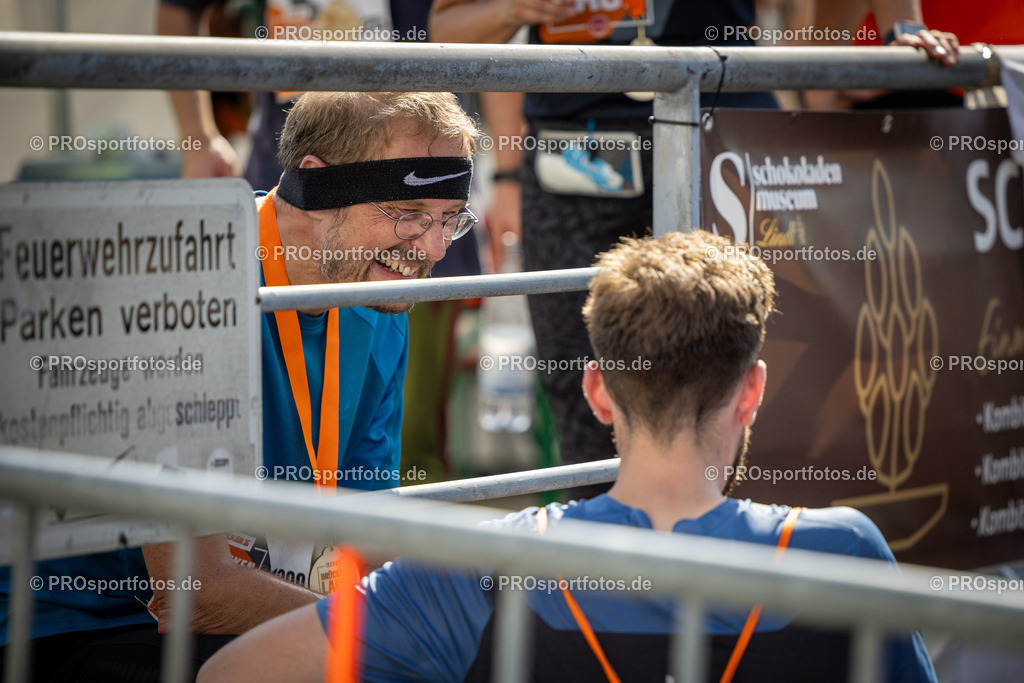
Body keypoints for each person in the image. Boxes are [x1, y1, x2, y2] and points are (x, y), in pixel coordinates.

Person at [198, 231, 938, 682]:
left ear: (597, 392)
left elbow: (231, 672)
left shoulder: (471, 571)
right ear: (752, 391)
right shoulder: (845, 553)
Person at [0, 91, 479, 682]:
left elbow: (363, 538)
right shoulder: (176, 275)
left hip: (256, 606)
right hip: (81, 622)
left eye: (449, 218)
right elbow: (196, 594)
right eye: (408, 214)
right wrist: (389, 633)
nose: (432, 250)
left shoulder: (377, 292)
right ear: (317, 185)